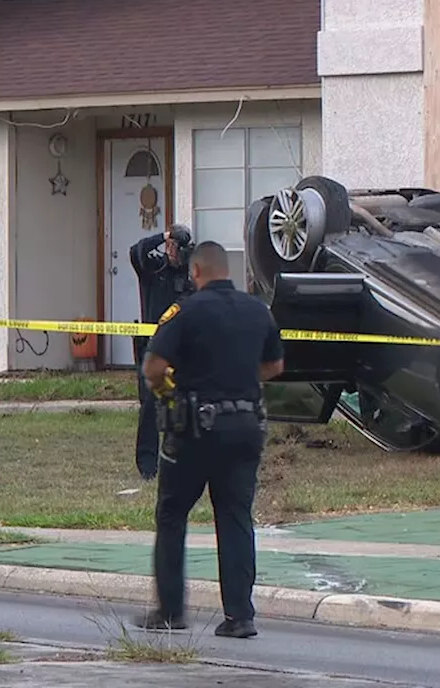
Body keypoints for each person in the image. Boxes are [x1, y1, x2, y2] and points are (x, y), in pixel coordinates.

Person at [136, 240, 285, 639]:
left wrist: (170, 390)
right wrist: (238, 380)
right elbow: (275, 365)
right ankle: (240, 617)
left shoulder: (183, 311)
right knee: (235, 517)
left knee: (172, 514)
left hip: (196, 430)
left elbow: (153, 367)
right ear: (228, 270)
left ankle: (170, 611)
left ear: (196, 271)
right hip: (246, 428)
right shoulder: (258, 310)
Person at [130, 224, 195, 480]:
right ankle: (147, 466)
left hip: (181, 351)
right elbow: (136, 252)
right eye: (170, 245)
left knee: (179, 405)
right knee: (149, 407)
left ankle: (177, 460)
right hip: (153, 349)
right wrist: (164, 236)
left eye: (177, 247)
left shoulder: (191, 277)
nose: (173, 252)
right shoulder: (153, 269)